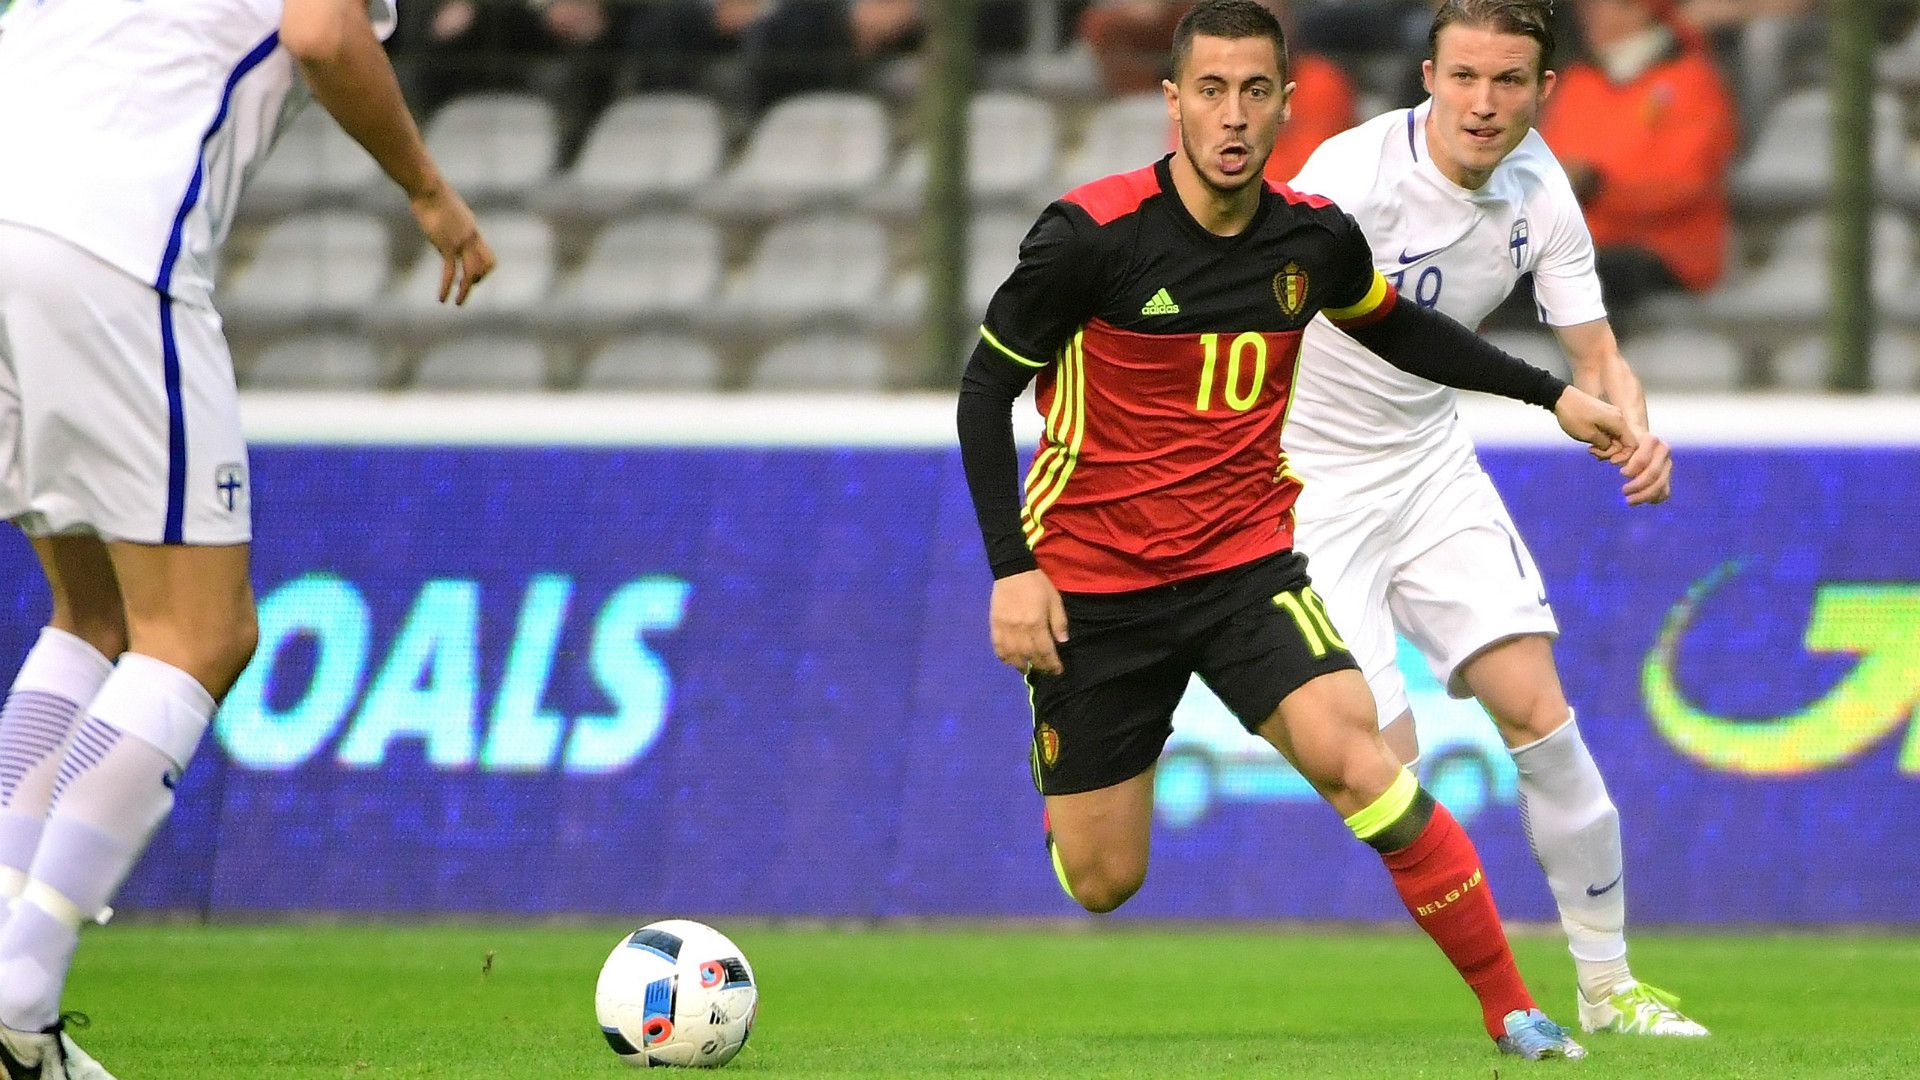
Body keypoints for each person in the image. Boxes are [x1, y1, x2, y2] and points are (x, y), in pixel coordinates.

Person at [957, 0, 1648, 1059]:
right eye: (1212, 91)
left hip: (1242, 565)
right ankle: (1071, 790)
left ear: (1285, 103)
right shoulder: (1088, 238)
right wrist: (1014, 571)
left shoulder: (1312, 238)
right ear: (1173, 101)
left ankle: (1512, 1006)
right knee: (1104, 880)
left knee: (1358, 755)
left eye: (1255, 91)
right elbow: (982, 394)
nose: (1233, 116)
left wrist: (1551, 397)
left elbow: (1404, 330)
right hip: (1095, 580)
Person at [0, 0, 495, 1073]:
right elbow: (322, 31)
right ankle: (17, 993)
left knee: (89, 618)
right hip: (109, 240)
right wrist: (428, 188)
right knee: (200, 635)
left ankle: (7, 989)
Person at [1282, 0, 1705, 1038]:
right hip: (1307, 485)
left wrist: (1633, 426)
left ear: (1542, 90)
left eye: (1508, 81)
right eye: (1464, 77)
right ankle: (1501, 990)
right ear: (1427, 75)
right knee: (1383, 763)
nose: (1484, 102)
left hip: (1429, 469)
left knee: (1542, 720)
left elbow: (1596, 354)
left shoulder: (1539, 185)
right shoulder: (1348, 178)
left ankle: (1607, 991)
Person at [1536, 0, 1739, 320]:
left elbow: (1684, 181)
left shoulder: (1692, 81)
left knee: (1582, 277)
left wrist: (1595, 184)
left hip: (1667, 255)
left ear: (1640, 10)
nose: (1587, 14)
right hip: (1583, 246)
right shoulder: (1578, 82)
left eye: (1601, 6)